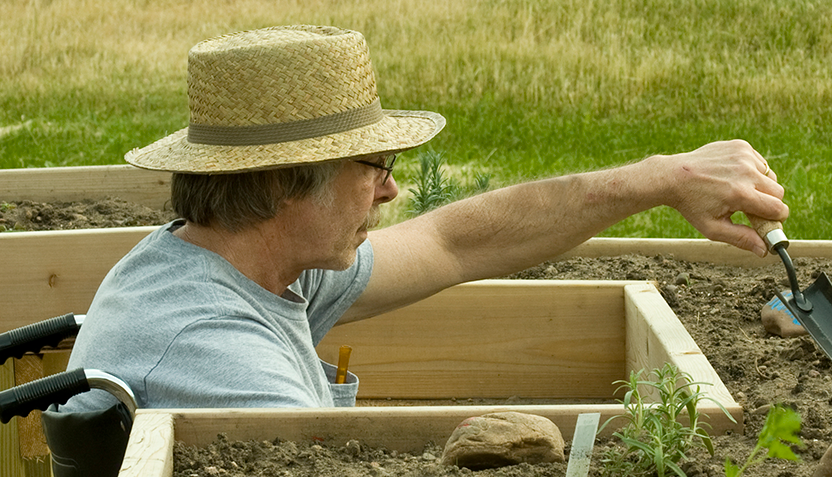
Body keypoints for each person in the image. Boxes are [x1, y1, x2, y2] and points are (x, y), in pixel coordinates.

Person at [68, 24, 787, 410]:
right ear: (289, 183)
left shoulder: (247, 264)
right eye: (372, 167)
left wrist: (662, 178)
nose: (389, 192)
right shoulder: (214, 351)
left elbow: (457, 240)